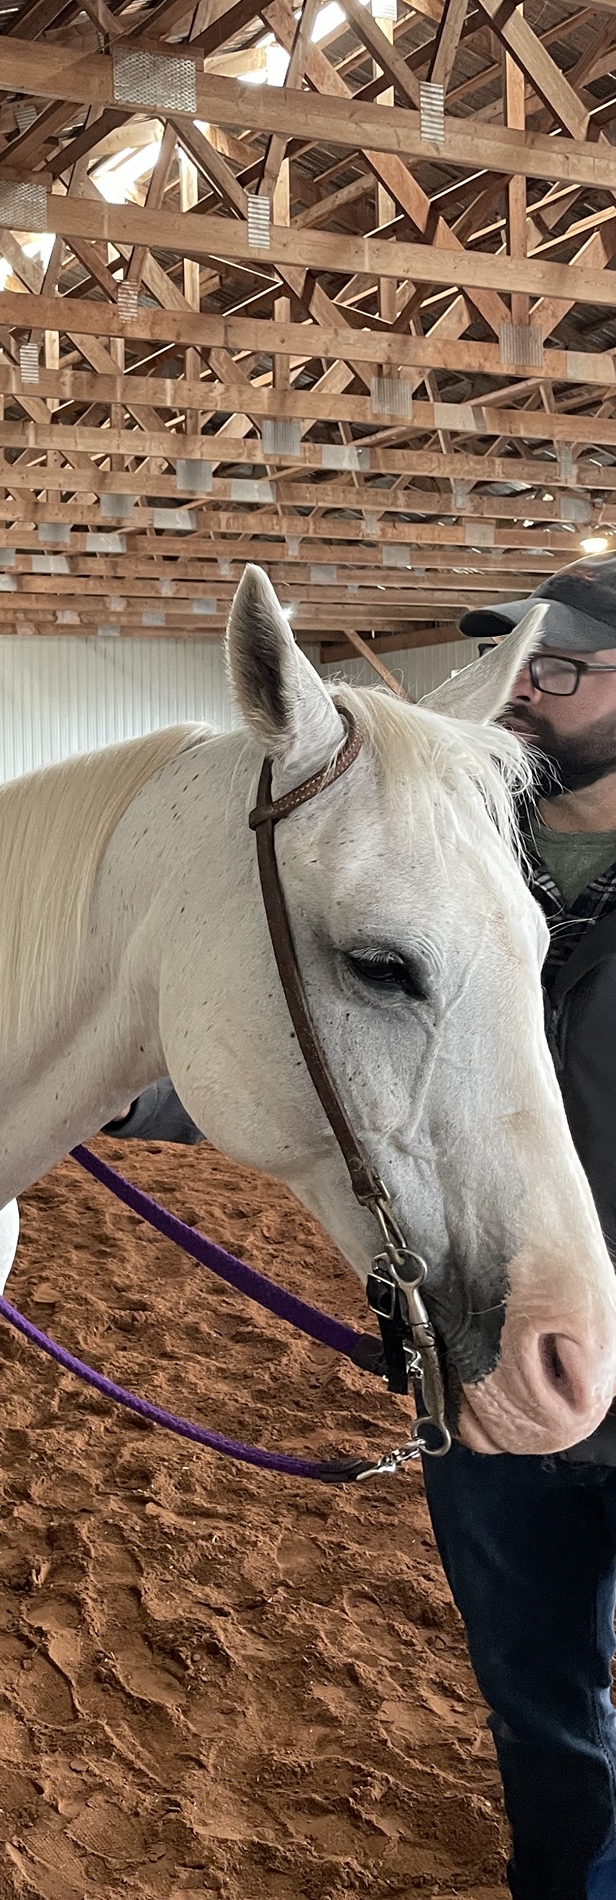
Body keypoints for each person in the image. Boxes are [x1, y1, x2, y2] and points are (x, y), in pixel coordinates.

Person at [422, 555, 616, 1900]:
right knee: (534, 1696)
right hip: (488, 1366)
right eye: (510, 669)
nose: (519, 696)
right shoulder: (448, 873)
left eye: (556, 670)